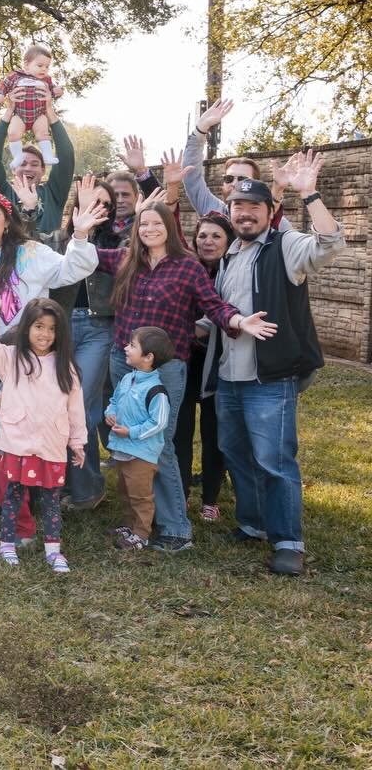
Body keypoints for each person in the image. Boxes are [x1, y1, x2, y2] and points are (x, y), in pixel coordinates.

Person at [94, 197, 275, 554]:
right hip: (124, 361)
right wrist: (81, 228)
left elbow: (214, 305)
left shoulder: (187, 267)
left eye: (156, 224)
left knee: (159, 445)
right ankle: (139, 522)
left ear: (170, 228)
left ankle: (176, 528)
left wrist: (238, 321)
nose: (149, 230)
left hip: (166, 368)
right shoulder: (125, 259)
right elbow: (82, 257)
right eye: (143, 224)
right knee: (130, 440)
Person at [212, 159, 345, 576]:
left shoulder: (285, 246)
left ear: (271, 212)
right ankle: (252, 524)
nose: (245, 213)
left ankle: (288, 541)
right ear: (229, 211)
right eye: (238, 206)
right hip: (228, 378)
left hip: (269, 378)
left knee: (275, 460)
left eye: (254, 207)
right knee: (236, 454)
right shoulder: (228, 255)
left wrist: (310, 193)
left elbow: (330, 243)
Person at [0, 188, 102, 529]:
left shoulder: (30, 253)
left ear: (7, 221)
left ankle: (32, 495)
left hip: (27, 358)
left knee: (27, 423)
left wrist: (79, 235)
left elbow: (72, 268)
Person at [0, 297, 86, 573]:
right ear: (26, 328)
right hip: (17, 442)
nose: (45, 334)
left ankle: (53, 550)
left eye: (51, 328)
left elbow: (75, 407)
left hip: (51, 444)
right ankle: (7, 543)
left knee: (51, 499)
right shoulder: (11, 359)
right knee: (12, 494)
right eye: (38, 326)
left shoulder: (65, 367)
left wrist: (78, 442)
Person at [45, 174, 122, 510]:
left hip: (98, 329)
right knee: (59, 405)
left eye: (106, 203)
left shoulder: (116, 243)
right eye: (92, 199)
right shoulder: (59, 240)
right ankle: (62, 482)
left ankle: (88, 489)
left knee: (83, 409)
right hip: (60, 330)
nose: (98, 207)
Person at [175, 213, 235, 522]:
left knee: (214, 431)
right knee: (181, 430)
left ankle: (210, 498)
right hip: (186, 360)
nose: (208, 242)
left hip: (218, 362)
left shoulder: (234, 270)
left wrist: (199, 327)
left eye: (216, 237)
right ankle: (181, 493)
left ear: (228, 241)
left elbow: (224, 310)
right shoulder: (186, 267)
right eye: (203, 236)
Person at [105, 326, 177, 551]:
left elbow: (159, 423)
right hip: (123, 449)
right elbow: (114, 400)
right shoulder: (128, 379)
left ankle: (142, 534)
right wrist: (110, 412)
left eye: (132, 346)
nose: (126, 348)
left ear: (148, 357)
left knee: (140, 496)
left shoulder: (157, 390)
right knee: (125, 491)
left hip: (142, 454)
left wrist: (132, 433)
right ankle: (129, 526)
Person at [0, 85, 74, 234]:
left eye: (35, 164)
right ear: (13, 169)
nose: (28, 168)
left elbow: (66, 157)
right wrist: (9, 112)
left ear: (43, 170)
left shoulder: (54, 193)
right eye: (22, 163)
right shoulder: (3, 192)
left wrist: (49, 111)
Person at [0, 44, 64, 166]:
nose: (44, 69)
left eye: (47, 67)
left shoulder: (46, 79)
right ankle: (18, 157)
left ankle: (47, 156)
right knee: (13, 133)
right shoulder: (15, 76)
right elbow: (2, 86)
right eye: (40, 65)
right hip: (20, 114)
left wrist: (58, 91)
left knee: (43, 133)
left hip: (38, 115)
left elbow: (53, 90)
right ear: (26, 65)